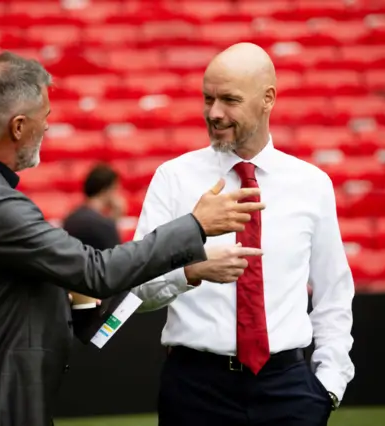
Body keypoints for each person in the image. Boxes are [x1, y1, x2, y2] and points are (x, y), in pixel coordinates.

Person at [0, 51, 264, 426]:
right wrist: (195, 225)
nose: (46, 129)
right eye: (44, 118)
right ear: (18, 127)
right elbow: (96, 271)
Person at [132, 43, 355, 426]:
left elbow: (333, 292)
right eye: (208, 98)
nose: (214, 113)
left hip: (289, 389)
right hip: (195, 391)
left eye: (229, 100)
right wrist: (192, 272)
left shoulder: (312, 184)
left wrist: (329, 384)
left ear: (268, 99)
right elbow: (140, 287)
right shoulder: (173, 178)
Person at [62, 163, 125, 251]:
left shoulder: (70, 218)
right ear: (107, 190)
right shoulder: (104, 224)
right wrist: (115, 218)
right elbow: (116, 257)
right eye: (116, 189)